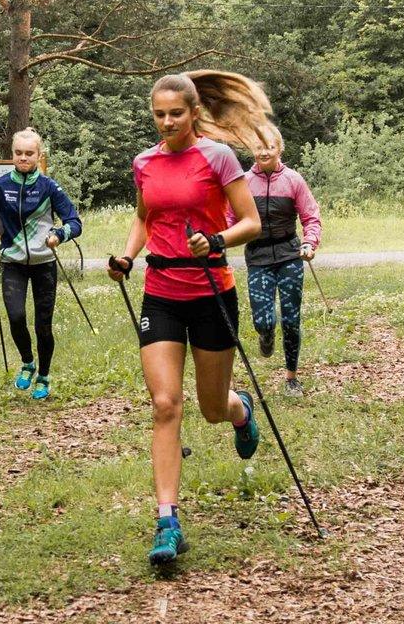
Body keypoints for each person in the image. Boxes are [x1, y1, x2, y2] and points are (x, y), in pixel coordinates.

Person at [106, 70, 274, 566]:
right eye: (158, 114)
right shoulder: (144, 163)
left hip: (210, 291)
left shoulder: (218, 158)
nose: (166, 122)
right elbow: (144, 217)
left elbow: (251, 221)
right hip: (160, 290)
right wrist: (127, 256)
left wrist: (218, 240)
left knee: (210, 407)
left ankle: (238, 407)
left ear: (194, 113)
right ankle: (167, 520)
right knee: (164, 404)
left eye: (175, 113)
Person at [0, 128, 84, 401]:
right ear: (12, 154)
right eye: (18, 153)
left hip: (43, 263)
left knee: (43, 325)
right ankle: (27, 362)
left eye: (29, 153)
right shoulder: (0, 186)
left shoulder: (49, 187)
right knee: (15, 317)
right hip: (12, 262)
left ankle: (44, 375)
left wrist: (58, 235)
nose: (23, 158)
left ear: (39, 155)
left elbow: (75, 222)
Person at [230, 128, 321, 396]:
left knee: (291, 320)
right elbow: (230, 218)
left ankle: (291, 378)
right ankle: (266, 334)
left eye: (269, 146)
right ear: (252, 150)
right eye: (259, 147)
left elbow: (311, 216)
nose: (264, 151)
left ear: (279, 148)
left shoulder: (293, 180)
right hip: (258, 257)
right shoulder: (243, 182)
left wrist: (309, 243)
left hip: (289, 255)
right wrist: (217, 239)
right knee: (263, 320)